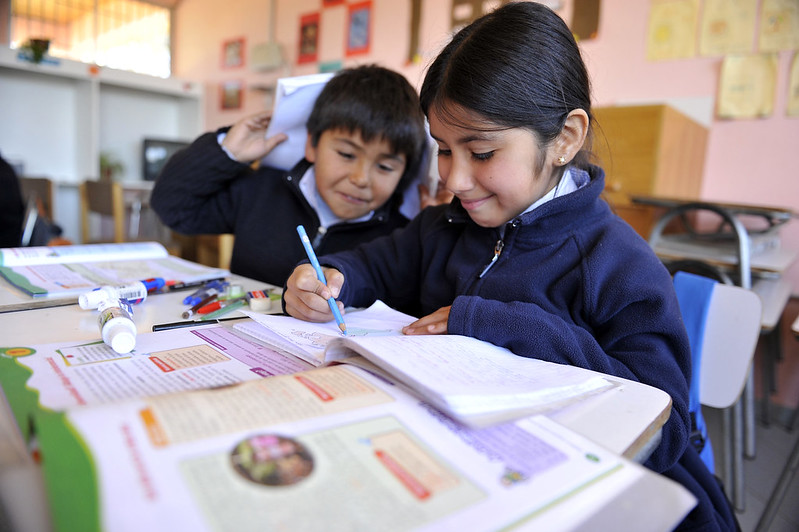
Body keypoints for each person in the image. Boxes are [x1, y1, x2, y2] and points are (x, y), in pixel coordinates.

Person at [283, 3, 738, 531]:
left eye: (480, 152)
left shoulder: (618, 265)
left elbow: (665, 431)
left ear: (565, 138)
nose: (453, 179)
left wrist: (512, 327)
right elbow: (371, 264)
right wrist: (329, 277)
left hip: (588, 496)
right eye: (443, 150)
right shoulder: (445, 227)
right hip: (454, 465)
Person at [150, 65, 429, 286]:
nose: (360, 178)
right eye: (346, 154)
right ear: (312, 144)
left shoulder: (401, 234)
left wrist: (434, 232)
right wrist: (226, 152)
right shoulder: (262, 191)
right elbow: (173, 206)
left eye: (385, 167)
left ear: (405, 171)